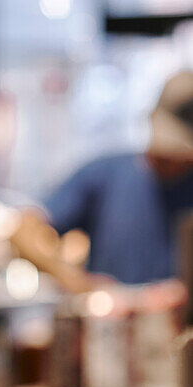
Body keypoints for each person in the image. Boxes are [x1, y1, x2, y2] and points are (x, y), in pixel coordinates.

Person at [11, 70, 193, 293]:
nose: (169, 160)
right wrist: (74, 280)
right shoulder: (106, 174)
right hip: (109, 321)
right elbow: (23, 228)